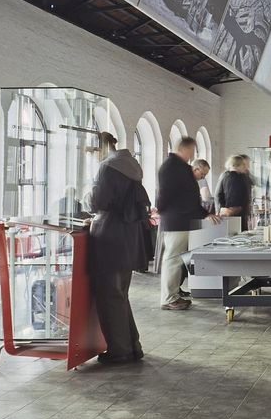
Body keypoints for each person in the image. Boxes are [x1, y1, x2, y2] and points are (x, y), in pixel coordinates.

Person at [86, 132, 146, 364]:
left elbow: (97, 202)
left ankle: (119, 350)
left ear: (99, 148)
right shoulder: (130, 165)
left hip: (108, 236)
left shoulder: (107, 167)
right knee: (120, 294)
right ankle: (132, 346)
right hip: (127, 236)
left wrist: (87, 193)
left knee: (109, 296)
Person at [154, 137, 203, 310]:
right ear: (184, 149)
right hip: (175, 220)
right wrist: (159, 209)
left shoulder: (180, 167)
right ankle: (169, 298)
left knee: (175, 259)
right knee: (172, 260)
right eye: (191, 150)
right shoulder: (171, 167)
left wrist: (204, 212)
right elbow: (165, 194)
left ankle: (173, 295)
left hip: (181, 219)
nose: (192, 154)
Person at [216, 154, 254, 229]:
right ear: (237, 165)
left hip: (235, 213)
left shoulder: (235, 176)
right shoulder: (233, 177)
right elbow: (232, 197)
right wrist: (232, 209)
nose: (246, 167)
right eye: (244, 165)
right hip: (234, 214)